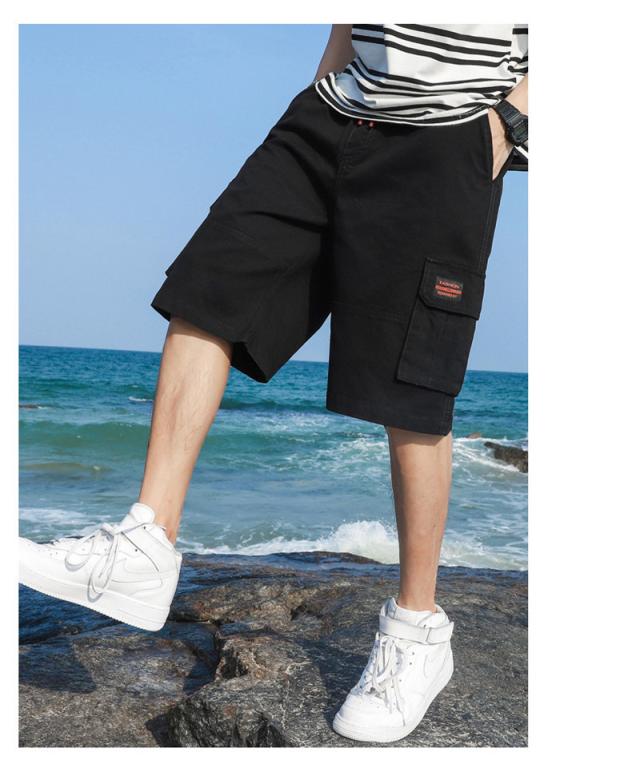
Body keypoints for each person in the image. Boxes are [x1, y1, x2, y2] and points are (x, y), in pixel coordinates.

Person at [19, 24, 528, 744]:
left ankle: (417, 631)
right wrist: (321, 87)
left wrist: (507, 126)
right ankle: (145, 543)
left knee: (412, 383)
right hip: (331, 112)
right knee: (208, 293)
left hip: (447, 135)